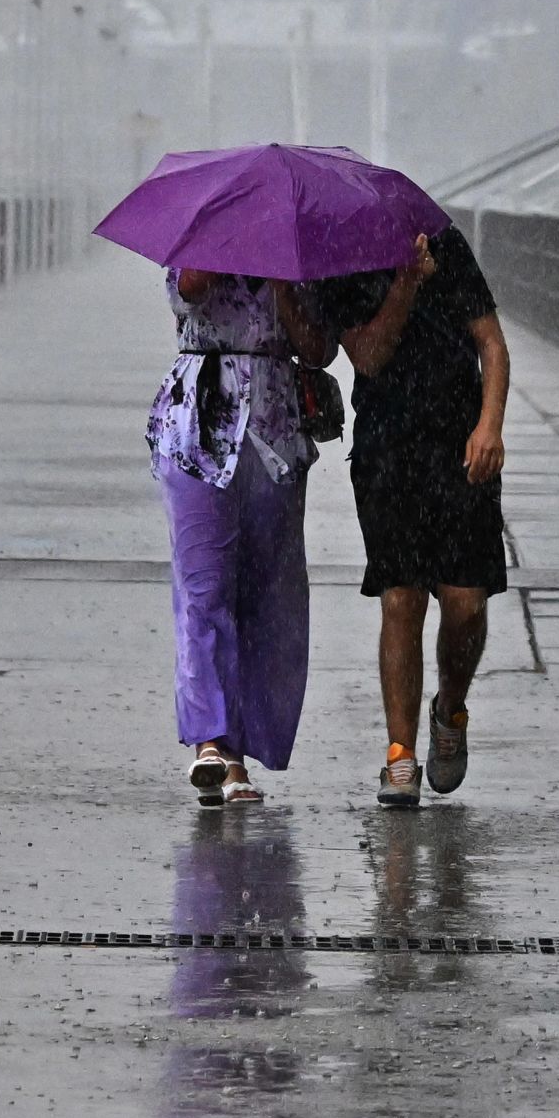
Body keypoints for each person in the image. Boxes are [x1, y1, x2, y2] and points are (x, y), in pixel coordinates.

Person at [311, 226, 511, 808]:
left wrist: (490, 425)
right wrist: (402, 284)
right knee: (401, 598)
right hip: (387, 450)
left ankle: (451, 707)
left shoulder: (446, 246)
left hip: (460, 446)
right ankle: (400, 755)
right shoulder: (345, 263)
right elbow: (369, 358)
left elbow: (492, 343)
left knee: (466, 601)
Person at [148, 268, 337, 807]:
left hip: (274, 434)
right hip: (199, 425)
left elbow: (319, 348)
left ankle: (238, 757)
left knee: (264, 596)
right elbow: (185, 292)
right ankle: (211, 742)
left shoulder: (296, 258)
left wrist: (283, 286)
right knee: (205, 588)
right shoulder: (205, 231)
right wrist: (229, 252)